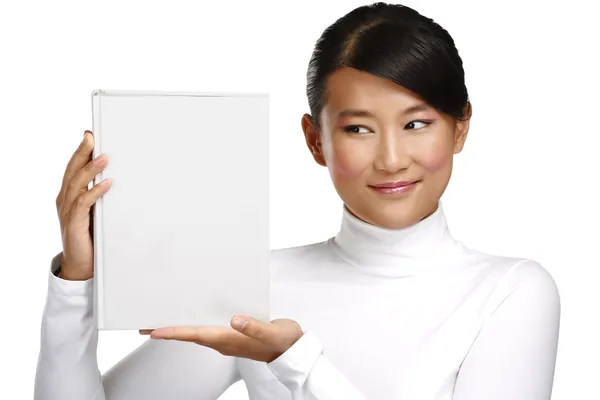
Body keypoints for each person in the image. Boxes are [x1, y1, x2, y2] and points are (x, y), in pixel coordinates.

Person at [34, 2, 560, 399]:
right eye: (358, 129)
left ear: (460, 127)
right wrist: (75, 284)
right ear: (315, 141)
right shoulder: (253, 285)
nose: (393, 158)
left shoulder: (511, 292)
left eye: (417, 123)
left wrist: (294, 361)